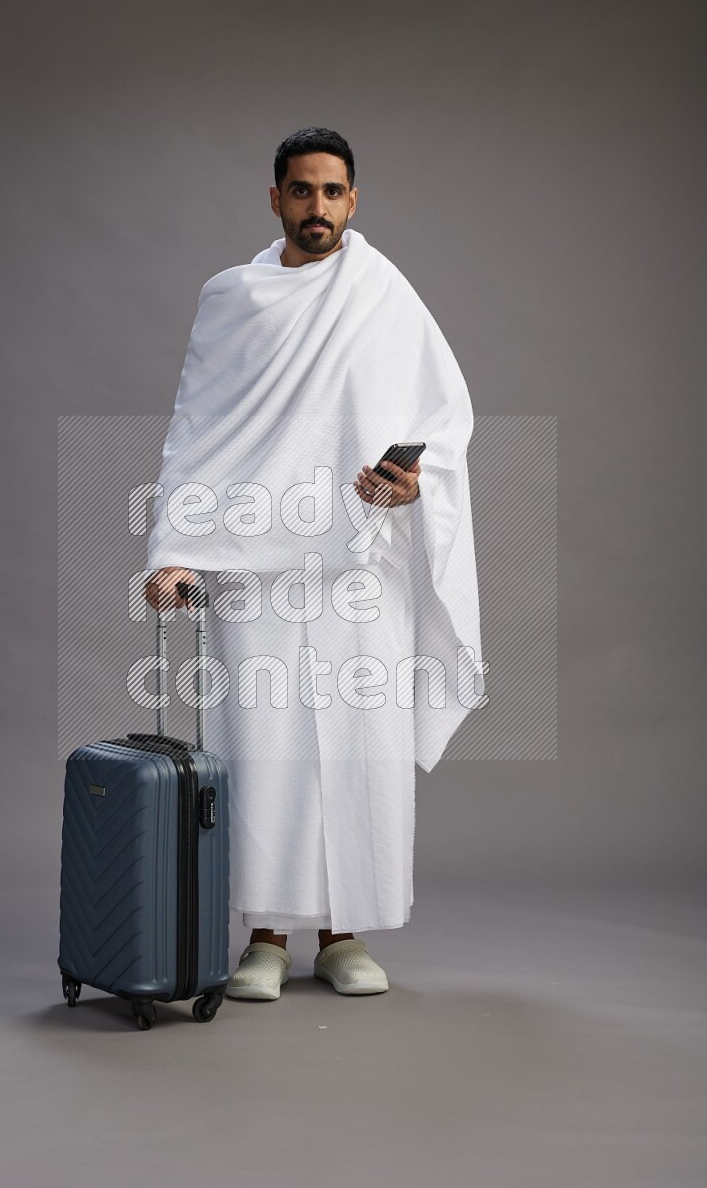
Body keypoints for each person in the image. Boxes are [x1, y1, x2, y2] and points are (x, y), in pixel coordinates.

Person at [144, 127, 484, 1001]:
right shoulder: (234, 300)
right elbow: (197, 430)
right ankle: (263, 935)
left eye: (333, 192)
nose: (318, 207)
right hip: (250, 562)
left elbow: (444, 419)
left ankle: (343, 935)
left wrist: (413, 487)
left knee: (361, 746)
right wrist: (175, 550)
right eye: (302, 190)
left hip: (357, 562)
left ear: (353, 200)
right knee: (261, 750)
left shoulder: (385, 295)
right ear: (276, 199)